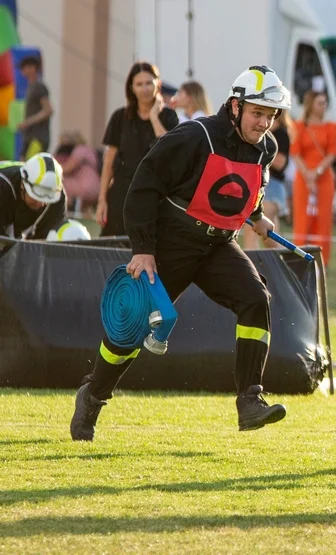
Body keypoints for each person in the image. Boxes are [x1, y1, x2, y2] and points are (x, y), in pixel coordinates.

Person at [70, 65, 291, 441]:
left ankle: (249, 400)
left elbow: (249, 188)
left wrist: (255, 216)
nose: (264, 124)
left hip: (218, 245)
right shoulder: (194, 136)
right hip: (170, 246)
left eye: (271, 116)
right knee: (131, 332)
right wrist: (143, 249)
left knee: (257, 298)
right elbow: (142, 187)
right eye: (257, 113)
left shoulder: (266, 148)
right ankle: (93, 395)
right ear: (235, 107)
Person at [96, 62, 178, 237]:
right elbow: (109, 160)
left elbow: (170, 150)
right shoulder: (120, 117)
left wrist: (154, 117)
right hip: (121, 195)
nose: (145, 89)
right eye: (139, 84)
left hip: (155, 196)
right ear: (131, 88)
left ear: (158, 84)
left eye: (149, 83)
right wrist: (102, 200)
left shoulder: (169, 117)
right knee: (112, 250)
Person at [290, 90, 336, 266]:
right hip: (303, 178)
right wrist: (307, 175)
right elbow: (295, 152)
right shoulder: (298, 126)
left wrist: (317, 172)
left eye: (325, 102)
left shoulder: (332, 127)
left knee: (323, 221)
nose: (323, 106)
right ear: (311, 105)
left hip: (324, 178)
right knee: (303, 220)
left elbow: (332, 153)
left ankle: (322, 262)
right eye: (320, 102)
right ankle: (300, 259)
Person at [244, 111, 293, 250]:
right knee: (264, 233)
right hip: (257, 183)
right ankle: (277, 261)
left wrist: (262, 148)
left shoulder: (281, 134)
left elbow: (281, 163)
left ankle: (267, 259)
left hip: (273, 186)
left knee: (257, 226)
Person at [0, 153, 66, 239]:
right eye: (36, 197)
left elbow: (45, 242)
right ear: (22, 186)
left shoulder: (57, 200)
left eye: (47, 199)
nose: (41, 204)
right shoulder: (3, 188)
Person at [54, 130, 101, 214]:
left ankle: (66, 211)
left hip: (86, 186)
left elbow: (68, 168)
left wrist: (53, 167)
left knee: (61, 184)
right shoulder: (89, 150)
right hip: (96, 186)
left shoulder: (80, 149)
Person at [16, 56, 53, 160]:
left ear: (32, 68)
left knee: (31, 166)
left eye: (24, 67)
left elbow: (48, 110)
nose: (23, 71)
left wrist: (28, 122)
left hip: (37, 137)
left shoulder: (39, 87)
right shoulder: (30, 87)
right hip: (29, 136)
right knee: (23, 164)